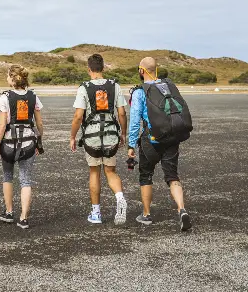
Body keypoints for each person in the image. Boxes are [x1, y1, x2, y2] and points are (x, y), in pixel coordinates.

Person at [128, 57, 193, 231]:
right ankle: (182, 209)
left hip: (152, 140)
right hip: (172, 138)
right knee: (172, 176)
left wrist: (130, 145)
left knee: (146, 174)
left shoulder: (140, 91)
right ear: (156, 69)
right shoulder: (168, 86)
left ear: (141, 71)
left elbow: (134, 121)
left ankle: (146, 214)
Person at [70, 54, 128, 225]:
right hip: (111, 134)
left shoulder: (83, 88)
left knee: (94, 172)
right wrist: (123, 133)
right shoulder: (115, 86)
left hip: (91, 136)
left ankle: (96, 213)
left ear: (89, 69)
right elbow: (122, 113)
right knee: (110, 171)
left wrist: (72, 136)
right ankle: (119, 198)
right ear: (103, 68)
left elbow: (78, 116)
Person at [0, 65, 44, 229]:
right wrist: (39, 141)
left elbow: (2, 125)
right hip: (29, 143)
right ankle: (24, 218)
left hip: (8, 143)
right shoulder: (33, 97)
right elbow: (39, 123)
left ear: (12, 79)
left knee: (7, 176)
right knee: (25, 179)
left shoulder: (4, 98)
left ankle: (9, 212)